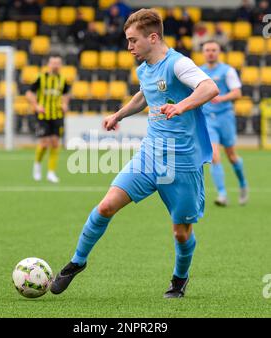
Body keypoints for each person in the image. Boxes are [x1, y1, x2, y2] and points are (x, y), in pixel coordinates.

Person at [50, 9, 218, 298]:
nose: (129, 47)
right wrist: (120, 114)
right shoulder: (144, 68)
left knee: (181, 233)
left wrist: (182, 106)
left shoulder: (178, 64)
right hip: (150, 155)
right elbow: (144, 94)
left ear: (153, 37)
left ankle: (179, 279)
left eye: (132, 41)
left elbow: (209, 87)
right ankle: (76, 262)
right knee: (105, 206)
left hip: (182, 163)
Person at [200, 40, 248, 206]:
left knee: (232, 156)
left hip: (225, 117)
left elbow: (237, 93)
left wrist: (222, 98)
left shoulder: (227, 71)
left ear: (219, 52)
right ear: (203, 52)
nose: (210, 53)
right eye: (207, 50)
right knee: (214, 155)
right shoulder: (199, 72)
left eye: (213, 50)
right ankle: (222, 194)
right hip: (207, 119)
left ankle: (242, 184)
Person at [26, 54, 70, 183]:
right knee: (45, 143)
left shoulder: (62, 79)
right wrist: (36, 105)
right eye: (53, 63)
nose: (55, 65)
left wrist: (65, 104)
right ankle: (37, 165)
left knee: (56, 143)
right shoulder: (41, 78)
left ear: (60, 65)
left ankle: (51, 172)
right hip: (43, 115)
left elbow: (66, 94)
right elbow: (29, 93)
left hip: (57, 115)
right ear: (49, 64)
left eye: (58, 63)